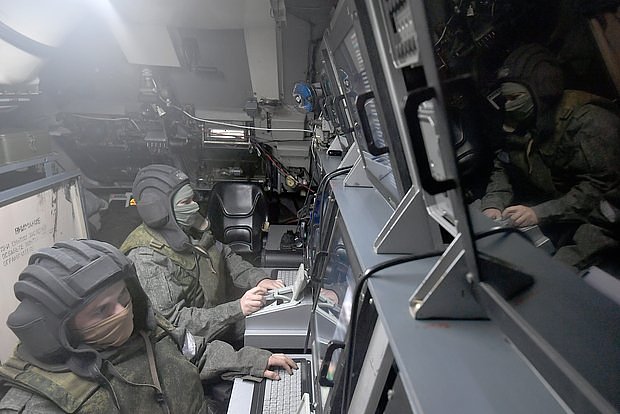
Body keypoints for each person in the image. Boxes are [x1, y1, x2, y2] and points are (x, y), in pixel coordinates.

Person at [0, 240, 297, 414]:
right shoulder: (40, 404)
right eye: (102, 310)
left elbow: (195, 352)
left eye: (123, 297)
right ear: (59, 327)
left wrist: (253, 360)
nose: (122, 313)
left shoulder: (148, 330)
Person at [480, 44, 620, 269]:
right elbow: (504, 165)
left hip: (604, 217)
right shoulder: (524, 121)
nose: (508, 106)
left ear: (542, 91)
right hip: (565, 210)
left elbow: (602, 191)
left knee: (558, 271)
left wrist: (540, 213)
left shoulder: (590, 122)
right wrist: (493, 205)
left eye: (514, 97)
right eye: (504, 99)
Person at [120, 164, 283, 343]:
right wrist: (237, 308)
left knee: (281, 321)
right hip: (192, 342)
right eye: (186, 202)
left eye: (193, 199)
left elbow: (224, 255)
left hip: (216, 318)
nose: (195, 206)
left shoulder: (187, 226)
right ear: (159, 211)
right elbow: (174, 323)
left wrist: (258, 279)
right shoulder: (146, 259)